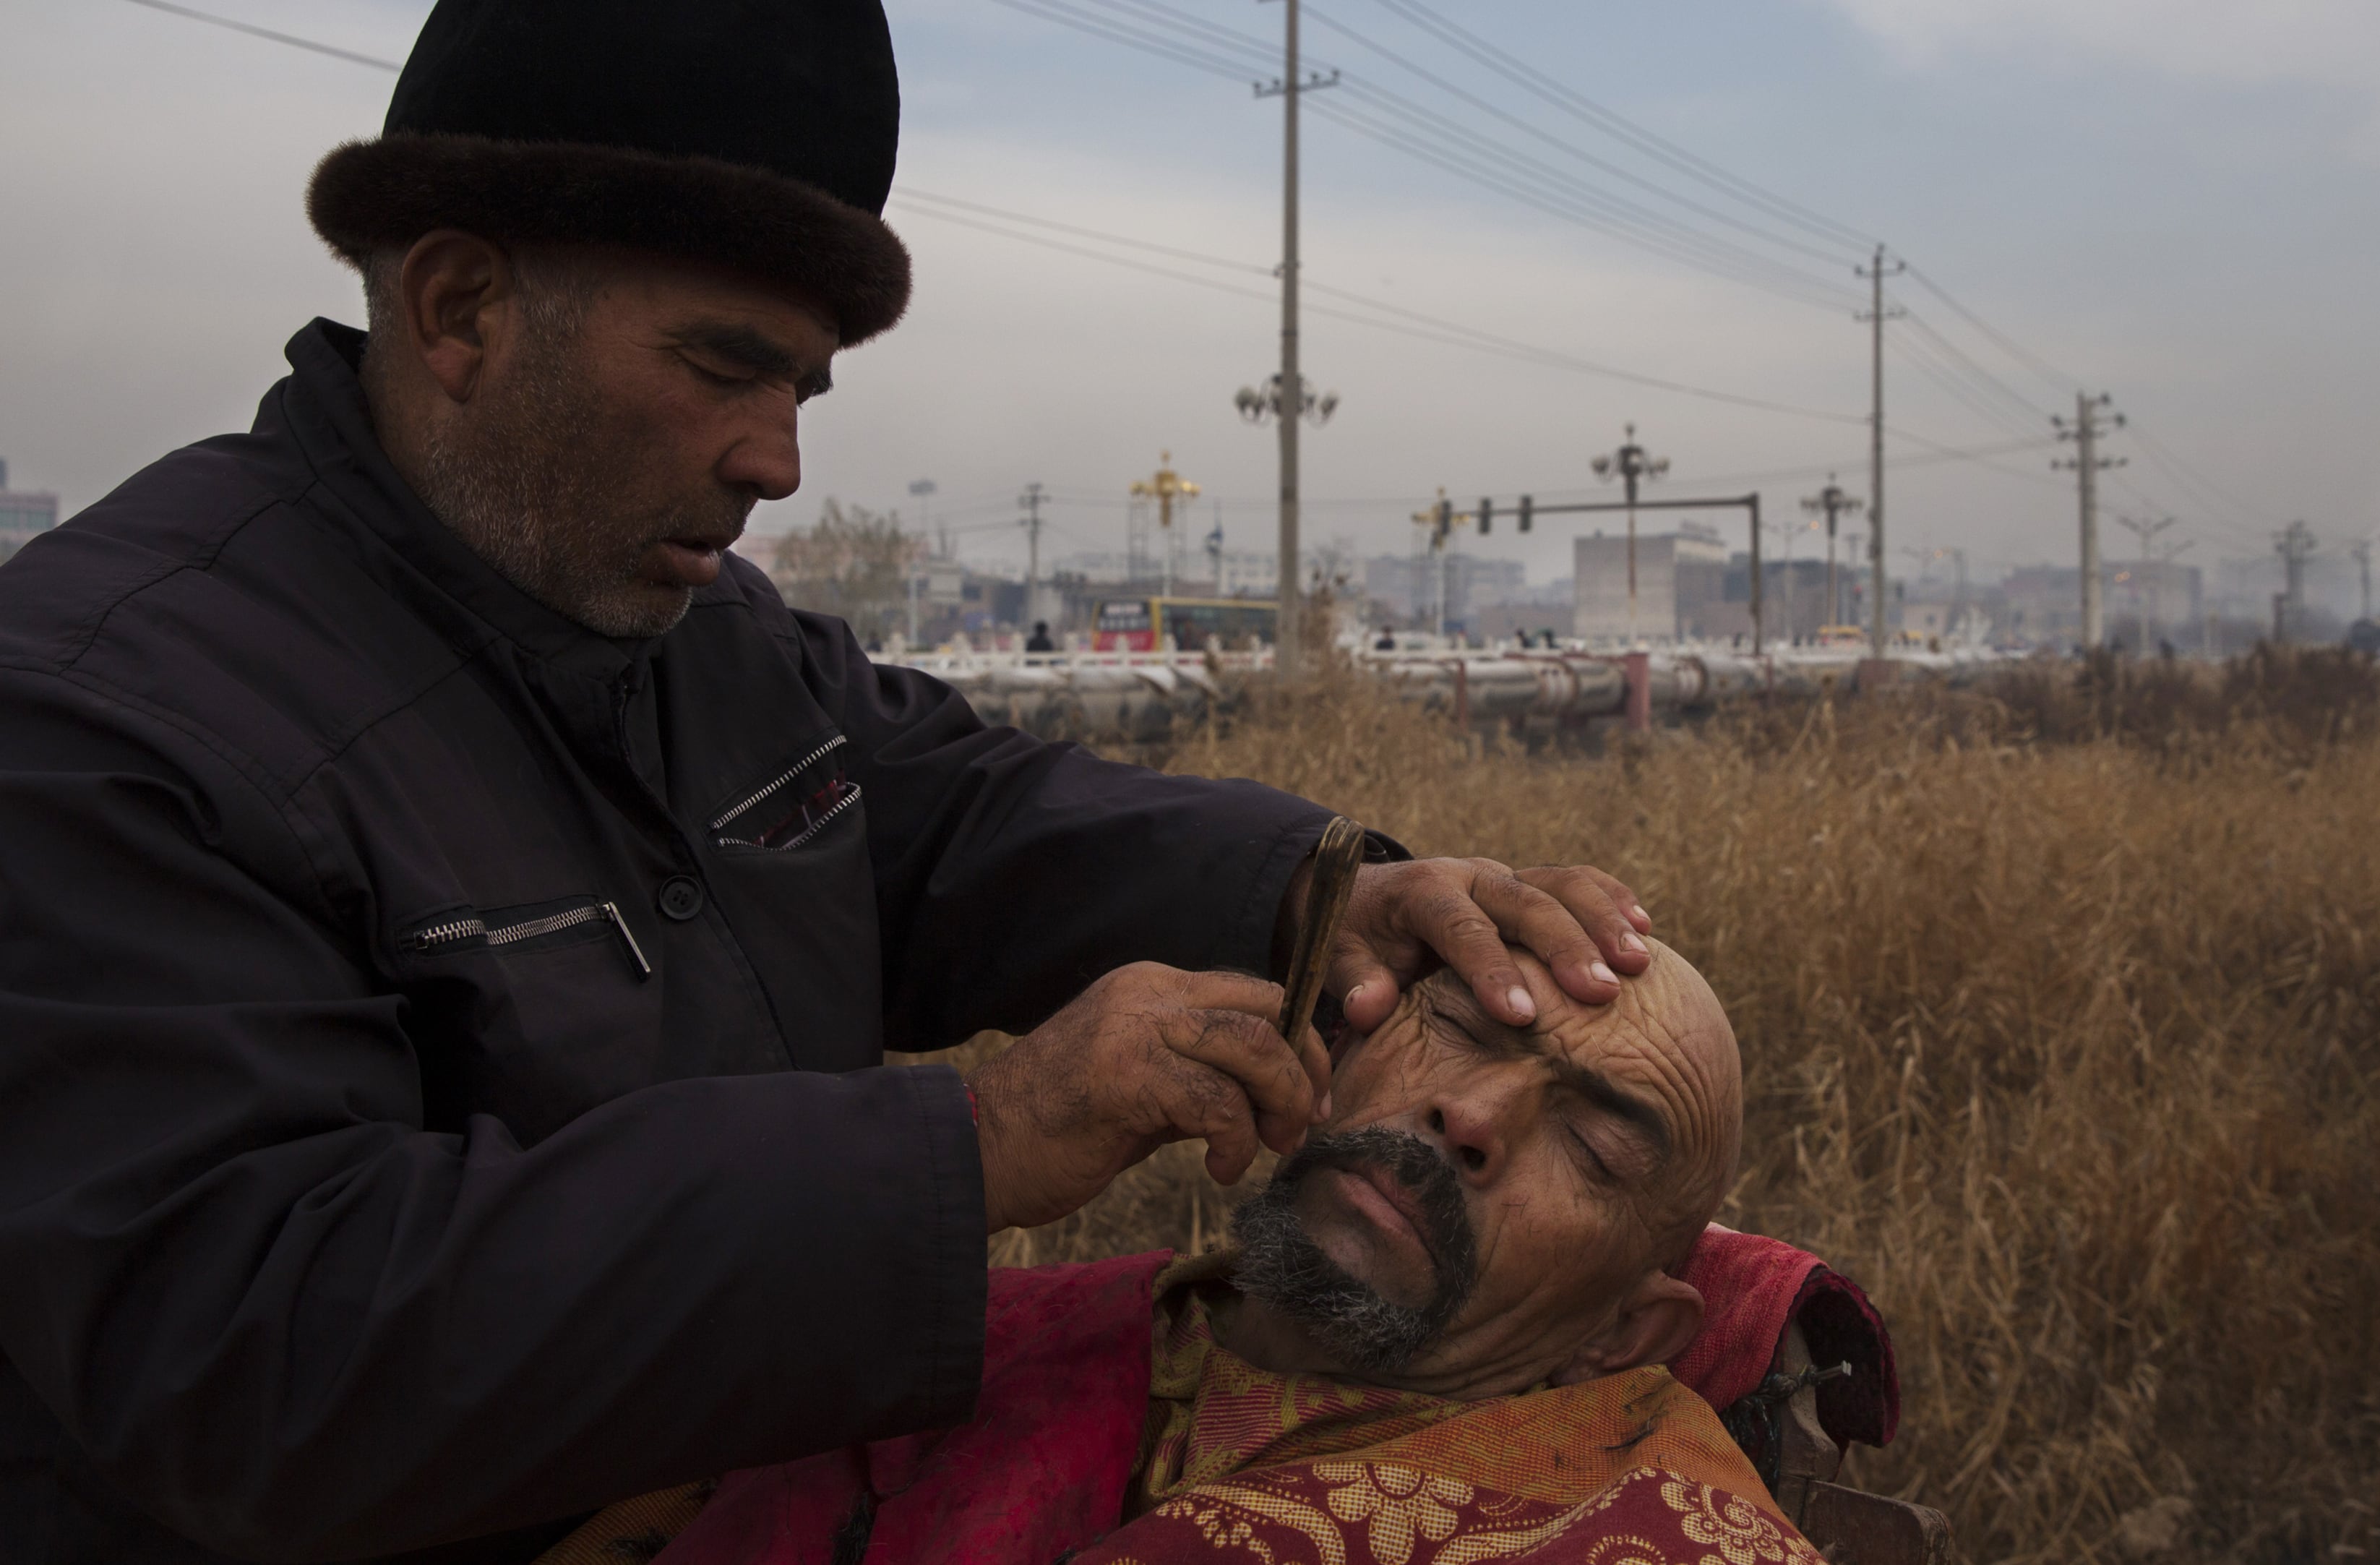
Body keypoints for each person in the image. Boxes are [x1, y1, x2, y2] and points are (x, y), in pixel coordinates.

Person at [0, 3, 1657, 1561]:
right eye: (726, 368)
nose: (778, 461)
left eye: (802, 387)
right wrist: (974, 1146)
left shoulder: (699, 634)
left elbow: (950, 815)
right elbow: (245, 1345)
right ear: (458, 308)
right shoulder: (107, 721)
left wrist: (1313, 891)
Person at [548, 943, 1899, 1564]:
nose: (1472, 1116)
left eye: (1596, 1154)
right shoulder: (948, 1345)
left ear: (1627, 1333)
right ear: (1350, 1040)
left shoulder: (1638, 1541)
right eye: (1463, 1029)